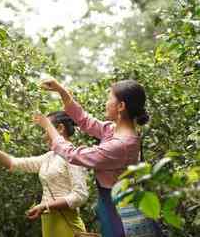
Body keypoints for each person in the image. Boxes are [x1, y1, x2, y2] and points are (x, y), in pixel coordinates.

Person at [38, 78, 149, 237]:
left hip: (117, 205)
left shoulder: (121, 145)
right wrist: (61, 91)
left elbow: (73, 154)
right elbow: (85, 120)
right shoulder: (114, 130)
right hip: (110, 201)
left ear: (121, 106)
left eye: (109, 98)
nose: (106, 102)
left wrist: (49, 127)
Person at [0, 111, 89, 237]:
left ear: (60, 128)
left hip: (67, 223)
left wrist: (46, 205)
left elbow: (80, 195)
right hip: (49, 223)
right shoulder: (49, 157)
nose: (44, 136)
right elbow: (13, 163)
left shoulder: (73, 156)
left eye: (46, 130)